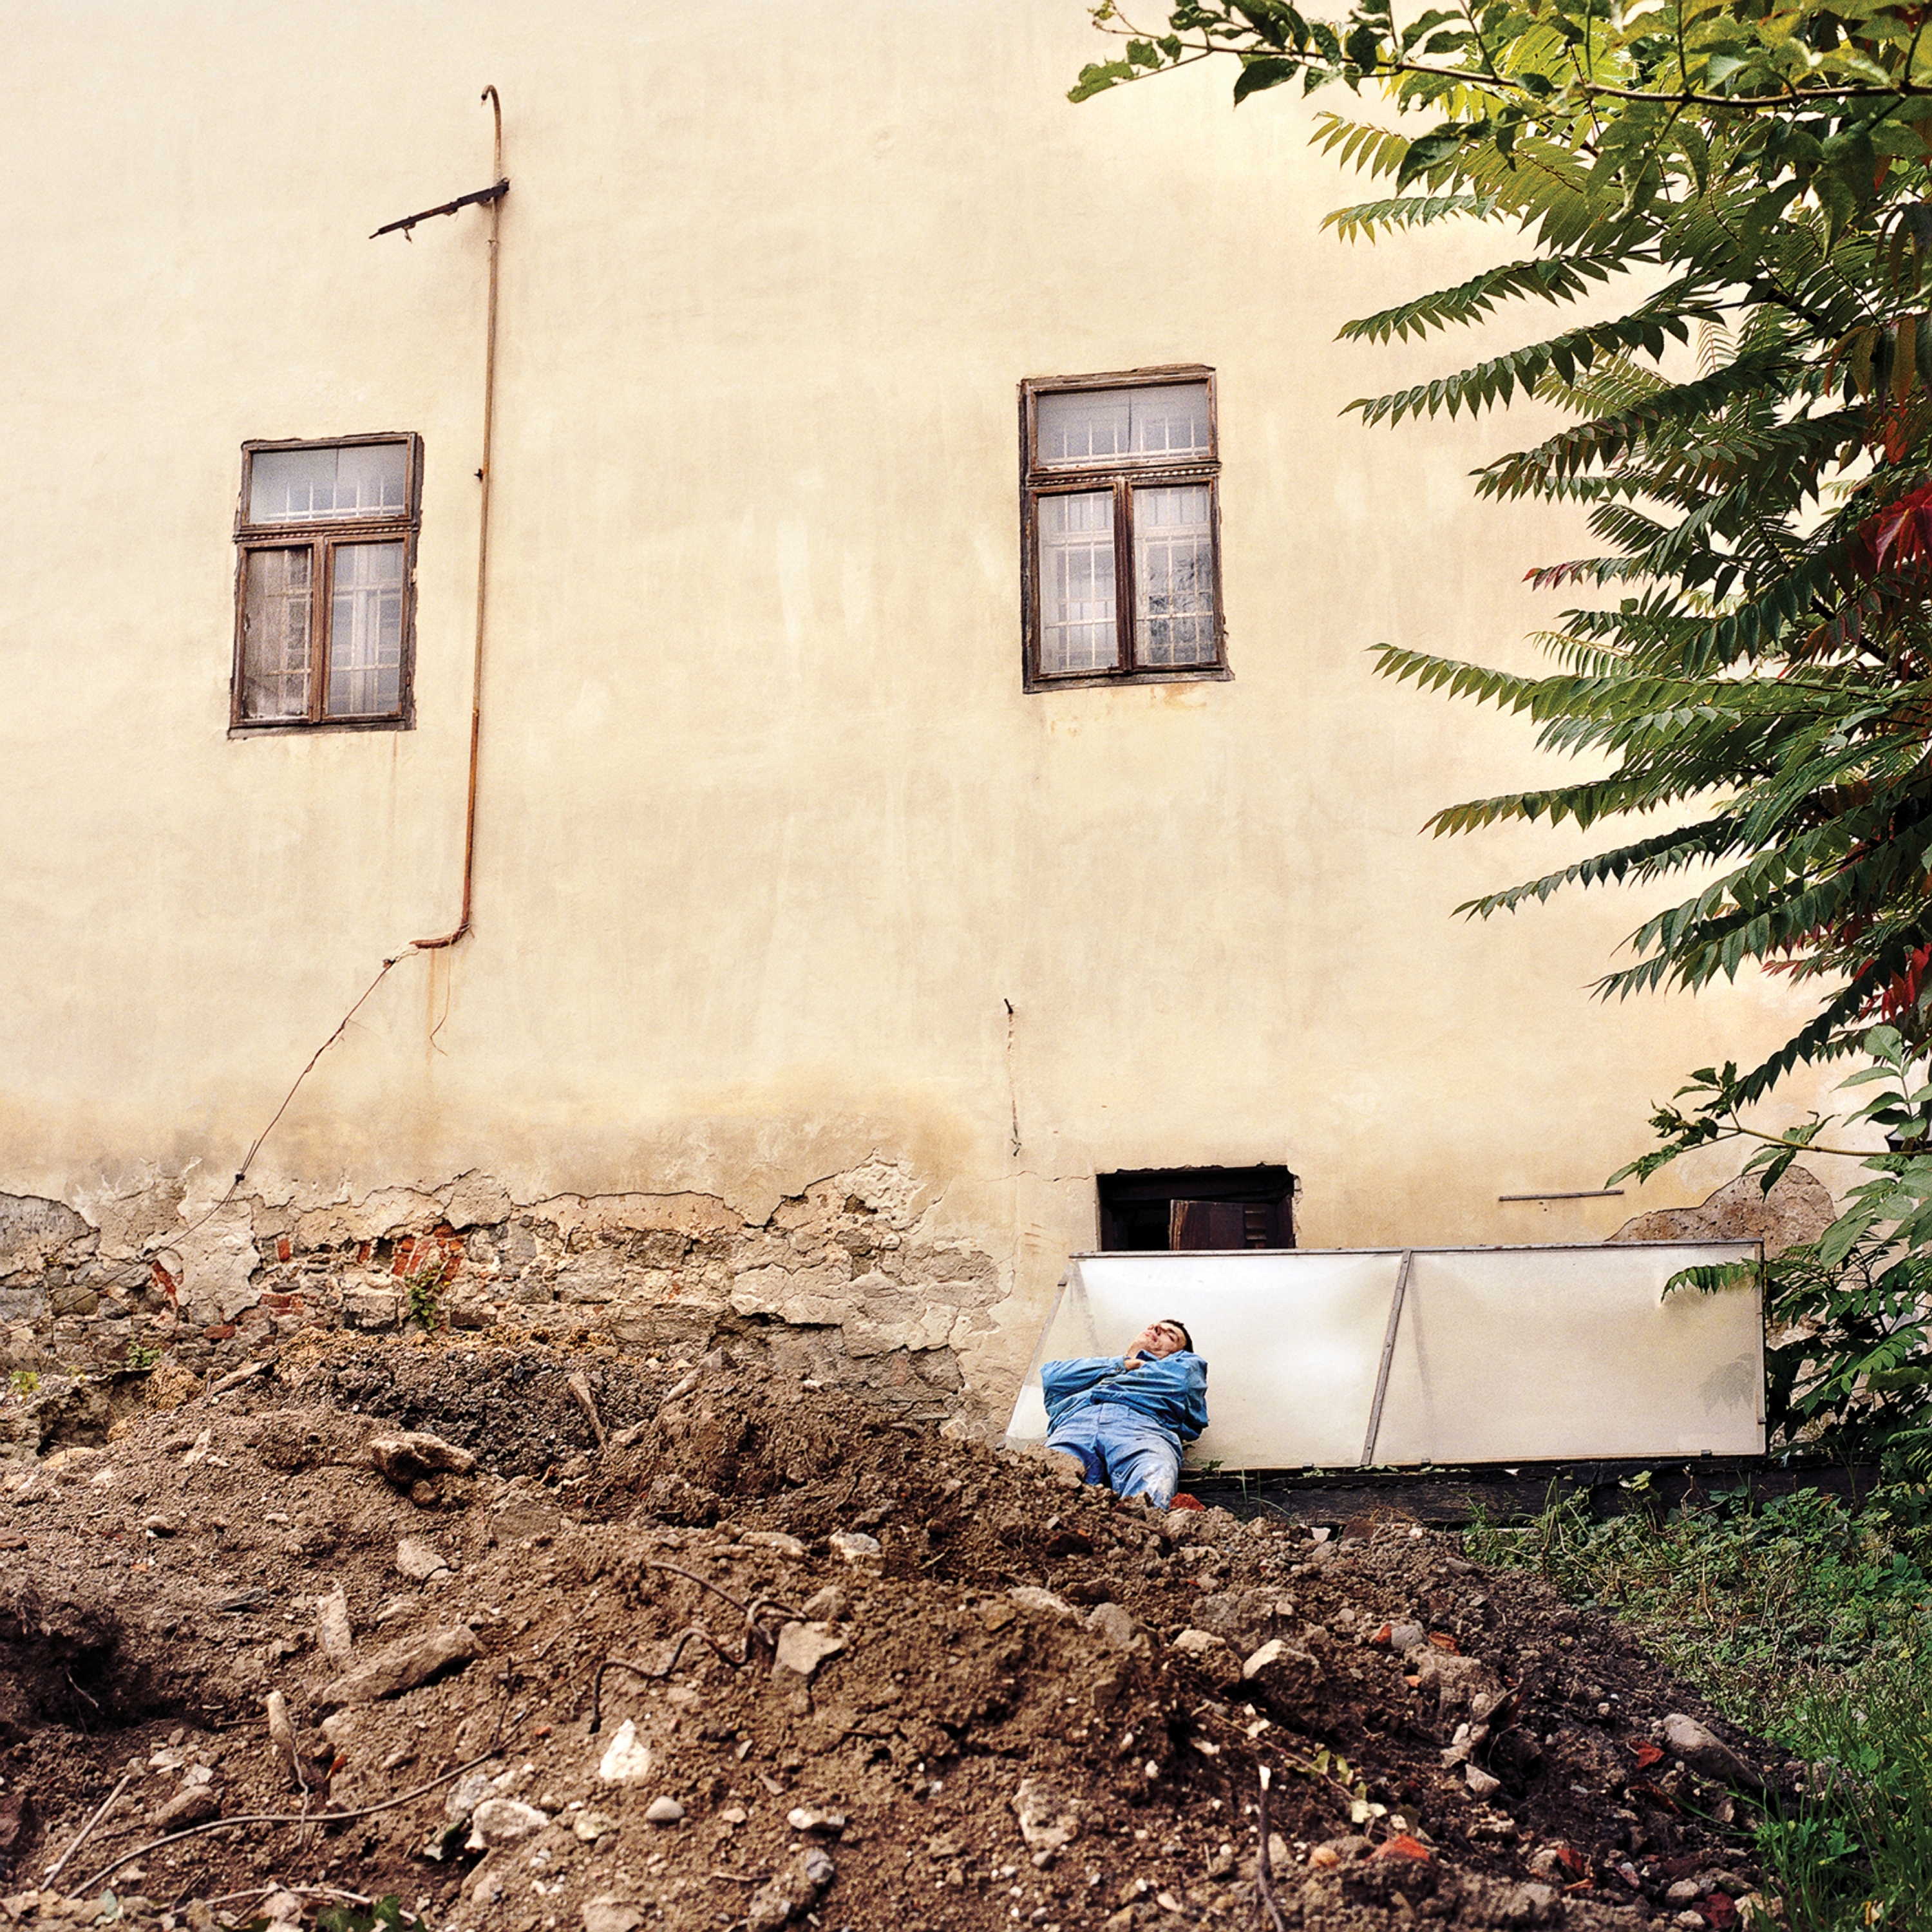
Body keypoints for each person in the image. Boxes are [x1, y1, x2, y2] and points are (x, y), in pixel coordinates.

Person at [1040, 1318, 1208, 1509]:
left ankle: (1141, 1532)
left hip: (1143, 1427)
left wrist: (1098, 1384)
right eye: (1154, 1327)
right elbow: (1052, 1378)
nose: (1157, 1328)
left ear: (1177, 1354)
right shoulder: (1111, 1366)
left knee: (1154, 1473)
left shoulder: (1185, 1364)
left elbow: (1178, 1383)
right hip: (1075, 1425)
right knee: (1044, 1477)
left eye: (1170, 1335)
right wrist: (1122, 1365)